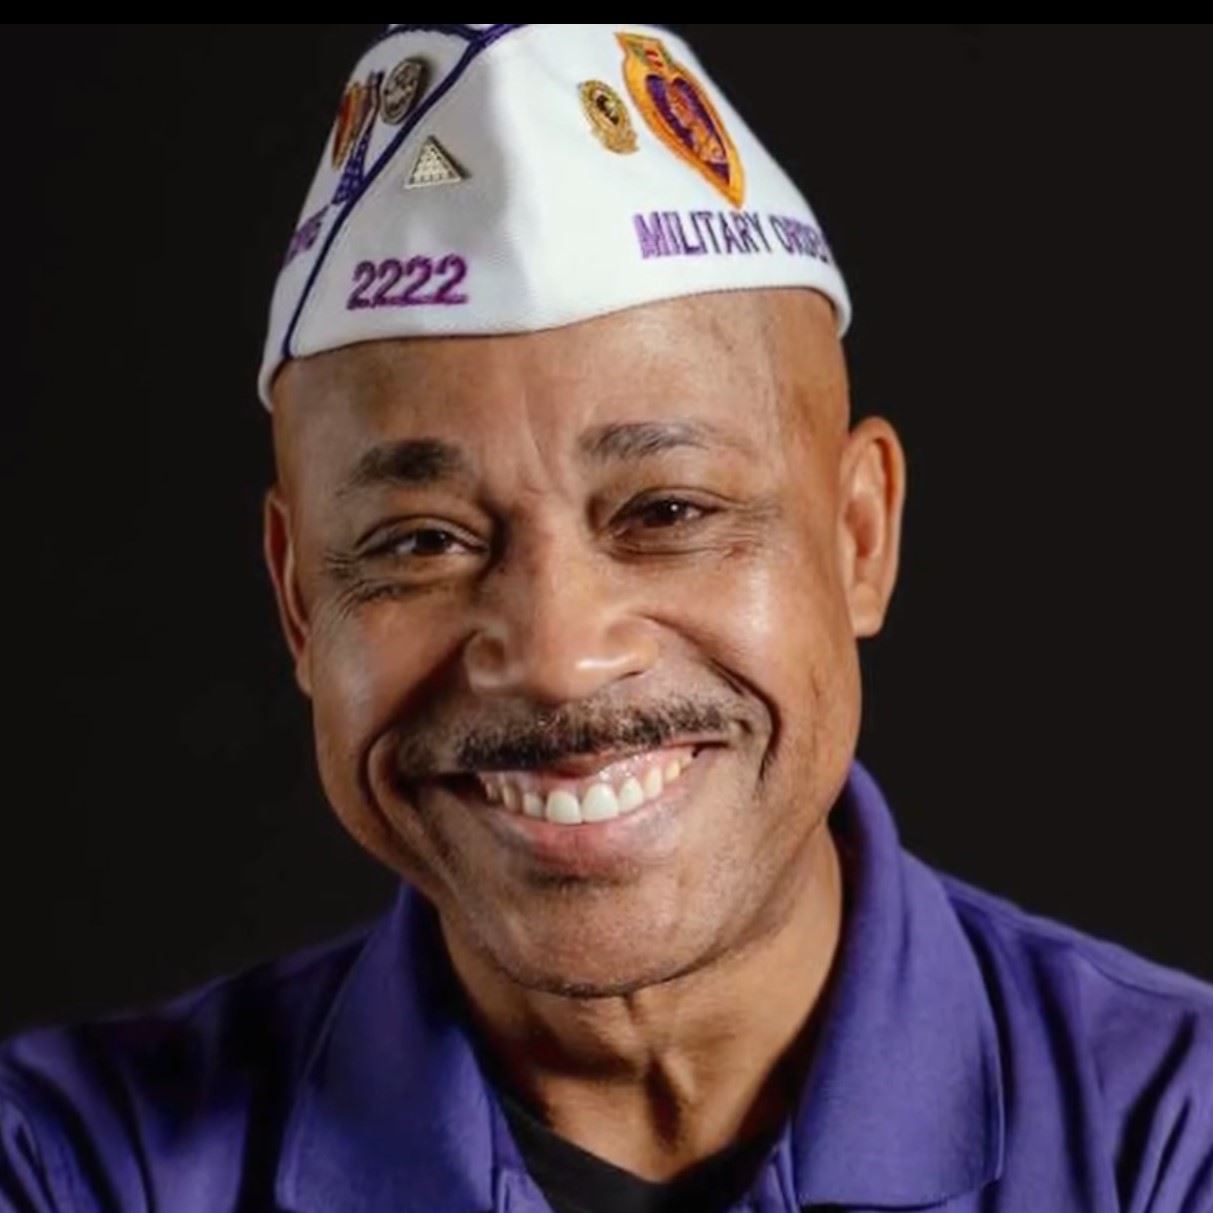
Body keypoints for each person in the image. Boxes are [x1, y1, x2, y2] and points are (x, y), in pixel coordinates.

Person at [2, 23, 1211, 1213]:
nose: (557, 655)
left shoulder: (1170, 1134)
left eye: (667, 510)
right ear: (298, 603)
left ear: (859, 536)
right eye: (421, 540)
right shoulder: (70, 1166)